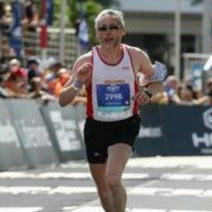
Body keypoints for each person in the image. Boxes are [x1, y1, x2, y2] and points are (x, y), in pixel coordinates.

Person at [59, 9, 166, 212]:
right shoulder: (85, 61)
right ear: (97, 33)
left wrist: (149, 93)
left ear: (123, 31)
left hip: (126, 123)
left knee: (113, 179)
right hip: (96, 125)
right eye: (103, 28)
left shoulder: (135, 55)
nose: (108, 33)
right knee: (102, 187)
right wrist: (78, 83)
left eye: (113, 27)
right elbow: (63, 100)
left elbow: (158, 80)